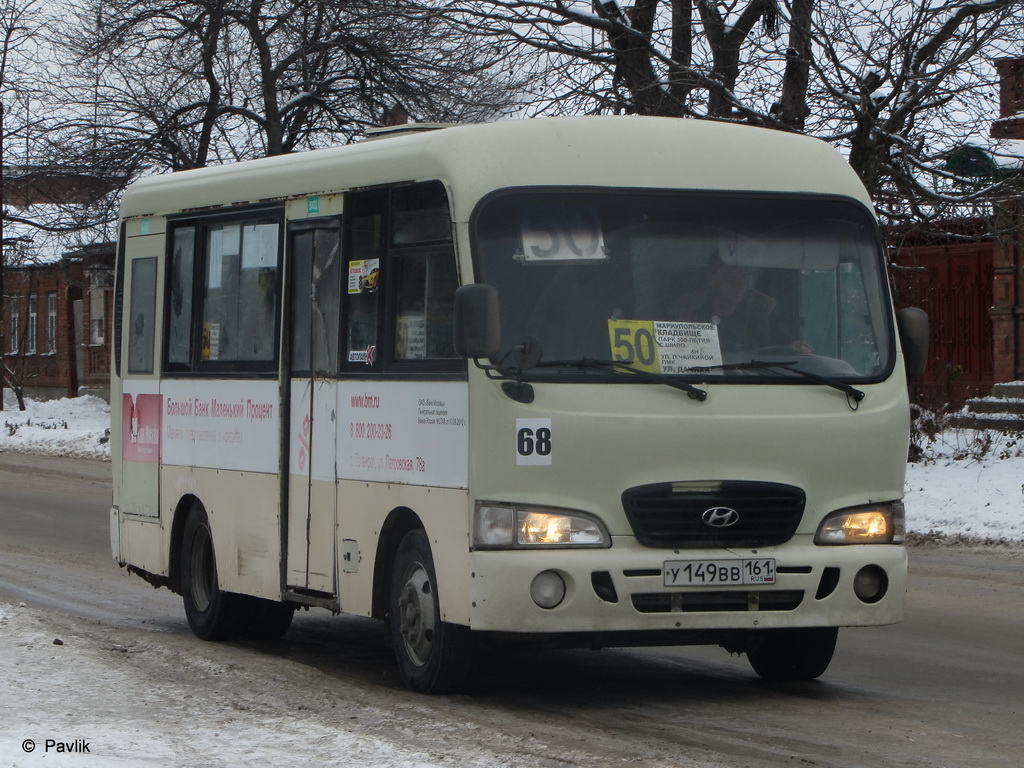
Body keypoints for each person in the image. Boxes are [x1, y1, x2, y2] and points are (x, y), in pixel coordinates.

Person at [668, 255, 780, 352]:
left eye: (743, 277)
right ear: (711, 279)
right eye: (731, 277)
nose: (739, 283)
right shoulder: (688, 312)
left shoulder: (756, 314)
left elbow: (786, 345)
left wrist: (796, 345)